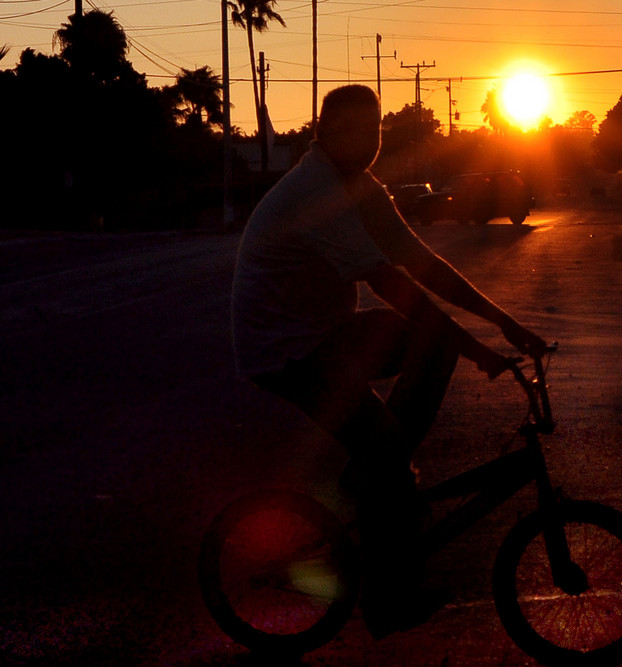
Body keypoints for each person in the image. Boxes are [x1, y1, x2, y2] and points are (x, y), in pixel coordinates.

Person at [231, 84, 545, 637]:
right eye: (352, 131)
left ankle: (373, 477)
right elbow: (390, 283)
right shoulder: (316, 190)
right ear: (324, 134)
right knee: (387, 443)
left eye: (374, 131)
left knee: (406, 405)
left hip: (324, 332)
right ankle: (388, 599)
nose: (367, 142)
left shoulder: (361, 187)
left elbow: (421, 263)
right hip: (282, 350)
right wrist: (477, 351)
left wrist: (503, 324)